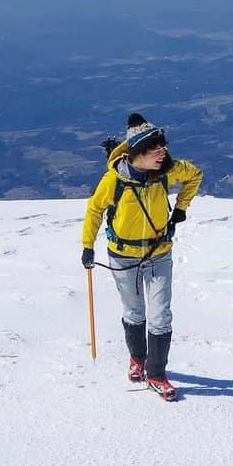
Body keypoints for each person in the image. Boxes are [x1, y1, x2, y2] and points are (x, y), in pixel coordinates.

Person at [81, 113, 203, 401]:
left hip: (159, 252)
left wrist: (182, 207)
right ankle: (138, 359)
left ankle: (156, 373)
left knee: (160, 315)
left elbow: (195, 175)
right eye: (156, 149)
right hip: (123, 257)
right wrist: (88, 245)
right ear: (137, 153)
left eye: (163, 147)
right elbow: (94, 209)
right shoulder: (114, 180)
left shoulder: (168, 171)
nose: (163, 153)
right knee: (134, 312)